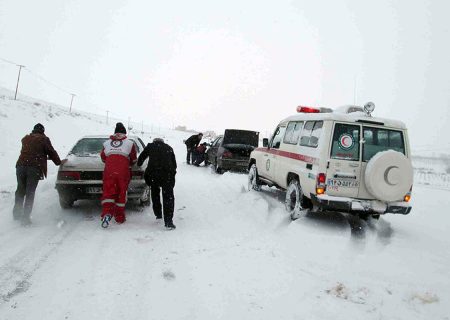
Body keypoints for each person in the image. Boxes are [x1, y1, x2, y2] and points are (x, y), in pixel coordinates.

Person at [14, 123, 61, 225]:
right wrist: (59, 162)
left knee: (20, 189)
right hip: (33, 168)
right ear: (42, 131)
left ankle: (16, 213)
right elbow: (51, 152)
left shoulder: (26, 138)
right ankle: (25, 218)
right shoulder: (44, 139)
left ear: (33, 130)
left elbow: (31, 151)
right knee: (30, 192)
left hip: (20, 166)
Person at [100, 122, 137, 228]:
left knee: (108, 192)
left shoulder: (106, 143)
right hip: (123, 172)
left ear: (115, 133)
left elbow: (103, 158)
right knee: (121, 193)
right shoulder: (130, 143)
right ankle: (119, 217)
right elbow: (133, 159)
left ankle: (106, 213)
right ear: (125, 133)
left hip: (109, 172)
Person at [137, 137, 177, 230]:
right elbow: (174, 164)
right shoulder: (169, 148)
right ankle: (168, 222)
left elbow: (142, 157)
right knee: (168, 197)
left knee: (155, 194)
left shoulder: (150, 146)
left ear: (154, 141)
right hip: (167, 175)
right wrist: (172, 174)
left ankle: (158, 214)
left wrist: (139, 164)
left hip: (154, 174)